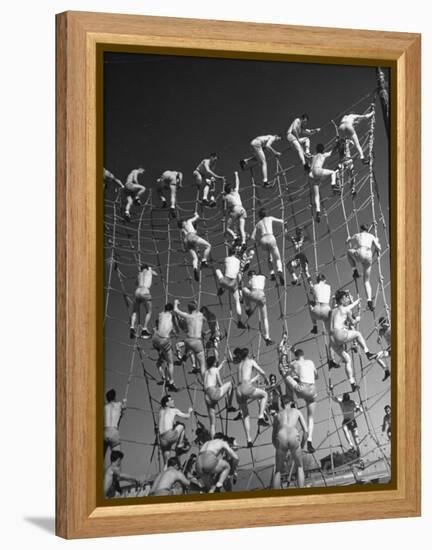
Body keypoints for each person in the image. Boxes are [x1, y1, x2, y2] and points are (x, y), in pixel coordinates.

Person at [330, 290, 378, 391]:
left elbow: (345, 309)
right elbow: (352, 321)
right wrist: (358, 319)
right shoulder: (345, 310)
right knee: (357, 334)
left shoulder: (333, 310)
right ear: (342, 299)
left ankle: (352, 384)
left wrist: (356, 301)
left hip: (332, 340)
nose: (347, 299)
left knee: (347, 360)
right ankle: (368, 353)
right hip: (340, 334)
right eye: (346, 298)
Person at [280, 349, 318, 453]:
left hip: (302, 389)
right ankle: (309, 441)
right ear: (303, 355)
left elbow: (285, 367)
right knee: (310, 417)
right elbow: (317, 376)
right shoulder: (310, 362)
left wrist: (283, 353)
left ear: (295, 356)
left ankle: (289, 397)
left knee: (284, 374)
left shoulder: (294, 363)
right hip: (313, 391)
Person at [233, 347, 269, 447]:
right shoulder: (251, 361)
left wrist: (254, 379)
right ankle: (261, 416)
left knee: (245, 415)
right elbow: (262, 372)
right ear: (248, 354)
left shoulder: (239, 365)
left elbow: (244, 377)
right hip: (246, 388)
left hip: (238, 390)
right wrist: (266, 380)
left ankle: (249, 440)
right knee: (264, 395)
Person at [272, 399, 308, 489]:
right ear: (291, 403)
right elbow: (306, 431)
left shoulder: (277, 415)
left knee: (278, 471)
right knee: (299, 467)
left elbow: (273, 437)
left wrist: (279, 449)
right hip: (293, 435)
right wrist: (302, 445)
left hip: (281, 435)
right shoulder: (297, 411)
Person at [346, 224, 382, 311]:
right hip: (369, 256)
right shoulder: (372, 236)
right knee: (366, 281)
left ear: (361, 229)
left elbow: (347, 242)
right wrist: (377, 241)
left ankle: (354, 271)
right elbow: (379, 248)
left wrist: (348, 239)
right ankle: (369, 300)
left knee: (348, 252)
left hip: (360, 252)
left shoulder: (357, 235)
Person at [250, 208, 285, 285]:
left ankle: (272, 274)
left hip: (263, 239)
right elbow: (282, 221)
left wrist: (257, 242)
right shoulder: (270, 218)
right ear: (265, 213)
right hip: (270, 237)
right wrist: (284, 226)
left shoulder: (258, 224)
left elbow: (252, 237)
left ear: (259, 216)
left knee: (269, 258)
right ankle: (279, 270)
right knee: (277, 258)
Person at [204, 357, 236, 438]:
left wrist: (222, 363)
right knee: (230, 384)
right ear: (214, 362)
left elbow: (215, 371)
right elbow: (220, 383)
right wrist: (224, 391)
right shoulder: (215, 369)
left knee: (212, 423)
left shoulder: (206, 372)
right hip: (213, 393)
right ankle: (229, 405)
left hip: (207, 396)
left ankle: (212, 440)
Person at [214, 248, 246, 329]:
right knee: (237, 302)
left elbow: (226, 266)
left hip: (225, 281)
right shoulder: (238, 261)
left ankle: (222, 288)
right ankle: (239, 322)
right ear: (235, 253)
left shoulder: (226, 259)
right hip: (233, 284)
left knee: (217, 270)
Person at [158, 394, 193, 467]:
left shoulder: (161, 411)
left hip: (161, 439)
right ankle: (179, 444)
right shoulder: (174, 410)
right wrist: (189, 411)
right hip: (169, 436)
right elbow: (187, 417)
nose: (173, 400)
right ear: (167, 403)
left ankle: (165, 470)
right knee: (182, 426)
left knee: (166, 463)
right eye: (171, 400)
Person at [174, 300, 206, 376]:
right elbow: (204, 319)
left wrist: (176, 303)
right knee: (202, 363)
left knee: (189, 349)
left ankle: (185, 357)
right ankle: (188, 360)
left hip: (189, 340)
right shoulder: (199, 315)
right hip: (197, 340)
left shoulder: (187, 316)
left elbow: (176, 310)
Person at [308, 143, 339, 223]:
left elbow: (309, 159)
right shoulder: (323, 155)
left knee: (316, 194)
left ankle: (318, 211)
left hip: (311, 175)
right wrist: (336, 145)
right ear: (322, 149)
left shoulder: (314, 156)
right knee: (333, 172)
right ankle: (333, 185)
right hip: (318, 170)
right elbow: (331, 153)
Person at [242, 269, 274, 345]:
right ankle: (267, 337)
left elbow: (249, 287)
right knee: (265, 318)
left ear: (250, 276)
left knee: (244, 289)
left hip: (254, 295)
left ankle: (248, 308)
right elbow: (264, 276)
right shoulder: (262, 277)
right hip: (262, 297)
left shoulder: (250, 280)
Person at [178, 213, 211, 281]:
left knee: (195, 258)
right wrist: (196, 214)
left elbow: (192, 232)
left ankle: (195, 268)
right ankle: (204, 260)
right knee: (208, 246)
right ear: (183, 222)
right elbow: (197, 217)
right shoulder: (188, 221)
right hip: (192, 236)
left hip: (186, 241)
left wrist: (195, 226)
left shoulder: (182, 230)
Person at [152, 303, 177, 391]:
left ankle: (164, 378)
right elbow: (174, 330)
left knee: (160, 363)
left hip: (155, 339)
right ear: (171, 310)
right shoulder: (171, 317)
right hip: (164, 341)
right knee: (170, 363)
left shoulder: (160, 315)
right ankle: (171, 382)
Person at [130, 264, 158, 339]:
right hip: (145, 291)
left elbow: (135, 283)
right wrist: (150, 269)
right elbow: (156, 274)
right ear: (147, 268)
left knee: (134, 311)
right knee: (149, 312)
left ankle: (132, 327)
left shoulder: (139, 274)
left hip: (137, 292)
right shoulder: (149, 270)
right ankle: (144, 329)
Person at [223, 171, 247, 248]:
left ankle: (235, 237)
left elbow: (224, 208)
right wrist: (236, 175)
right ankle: (243, 242)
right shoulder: (236, 192)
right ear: (231, 189)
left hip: (235, 209)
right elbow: (237, 183)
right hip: (242, 209)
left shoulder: (226, 197)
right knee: (241, 228)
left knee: (227, 228)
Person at [104, 389, 126, 458]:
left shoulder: (105, 407)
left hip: (104, 431)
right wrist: (124, 401)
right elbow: (124, 407)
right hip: (114, 432)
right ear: (114, 397)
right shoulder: (119, 404)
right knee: (116, 458)